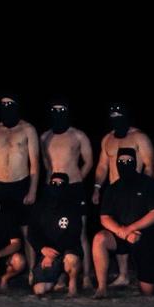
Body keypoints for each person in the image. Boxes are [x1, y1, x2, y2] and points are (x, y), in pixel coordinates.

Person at [92, 103, 154, 287]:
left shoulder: (139, 137)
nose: (116, 119)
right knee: (116, 229)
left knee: (137, 232)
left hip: (138, 192)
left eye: (120, 115)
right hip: (114, 193)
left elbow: (150, 164)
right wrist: (96, 187)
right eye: (113, 116)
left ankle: (144, 274)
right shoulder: (108, 139)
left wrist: (145, 190)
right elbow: (102, 166)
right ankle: (123, 274)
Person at [92, 148, 154, 299]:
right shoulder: (113, 188)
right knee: (99, 239)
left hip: (145, 235)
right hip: (122, 235)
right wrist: (122, 232)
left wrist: (131, 229)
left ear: (135, 163)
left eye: (129, 161)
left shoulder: (148, 184)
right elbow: (104, 217)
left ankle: (149, 277)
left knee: (147, 291)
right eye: (121, 161)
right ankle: (102, 287)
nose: (125, 164)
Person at [0, 94, 39, 282]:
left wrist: (32, 190)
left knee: (26, 230)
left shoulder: (28, 129)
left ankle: (31, 271)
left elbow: (35, 162)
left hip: (21, 184)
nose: (7, 107)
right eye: (3, 104)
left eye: (10, 104)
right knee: (0, 228)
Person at [40, 100, 94, 287]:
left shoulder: (78, 135)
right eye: (54, 110)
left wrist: (77, 179)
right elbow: (46, 163)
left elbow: (88, 161)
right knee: (56, 231)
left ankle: (86, 275)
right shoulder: (45, 136)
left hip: (74, 187)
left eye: (61, 110)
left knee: (81, 231)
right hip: (53, 188)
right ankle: (61, 274)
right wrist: (50, 182)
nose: (58, 113)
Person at [29, 173, 83, 297]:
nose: (56, 187)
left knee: (71, 259)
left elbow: (73, 235)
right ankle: (57, 278)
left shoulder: (72, 207)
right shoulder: (40, 206)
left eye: (60, 184)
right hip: (47, 252)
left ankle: (72, 284)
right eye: (54, 184)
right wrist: (42, 248)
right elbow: (32, 233)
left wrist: (54, 254)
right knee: (39, 290)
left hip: (66, 250)